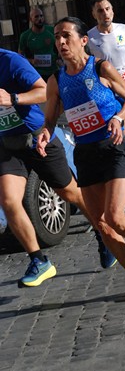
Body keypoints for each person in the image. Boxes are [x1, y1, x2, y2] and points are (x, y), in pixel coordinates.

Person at [37, 17, 125, 301]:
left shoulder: (100, 67)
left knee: (115, 217)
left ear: (83, 40)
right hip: (86, 154)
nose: (60, 42)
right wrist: (45, 133)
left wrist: (119, 118)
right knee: (102, 224)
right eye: (57, 37)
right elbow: (49, 119)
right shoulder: (56, 80)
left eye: (66, 36)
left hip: (113, 146)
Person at [0, 48, 95, 288]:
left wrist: (13, 98)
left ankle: (104, 233)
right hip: (7, 145)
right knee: (9, 201)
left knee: (69, 192)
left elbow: (43, 91)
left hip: (36, 138)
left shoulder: (11, 61)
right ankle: (39, 261)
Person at [87, 0, 125, 138]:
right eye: (100, 11)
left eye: (107, 9)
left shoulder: (123, 29)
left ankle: (122, 142)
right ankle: (121, 151)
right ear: (94, 14)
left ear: (112, 10)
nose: (105, 13)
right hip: (108, 90)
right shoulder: (89, 37)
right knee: (118, 125)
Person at [18, 7, 59, 81]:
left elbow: (60, 44)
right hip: (37, 73)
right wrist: (31, 61)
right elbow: (20, 56)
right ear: (31, 19)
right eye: (36, 16)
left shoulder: (52, 30)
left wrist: (59, 57)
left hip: (54, 70)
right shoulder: (25, 36)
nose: (40, 18)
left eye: (41, 16)